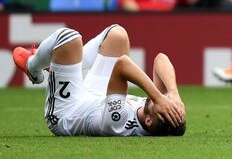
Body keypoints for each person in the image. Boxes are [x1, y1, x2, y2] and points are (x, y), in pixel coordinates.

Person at [12, 24, 186, 136]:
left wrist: (158, 97)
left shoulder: (118, 121)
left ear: (149, 121)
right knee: (118, 34)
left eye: (166, 109)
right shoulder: (154, 109)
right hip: (99, 97)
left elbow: (122, 65)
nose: (166, 104)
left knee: (68, 37)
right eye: (171, 107)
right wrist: (173, 94)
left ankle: (33, 66)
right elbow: (160, 59)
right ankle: (61, 64)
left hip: (67, 110)